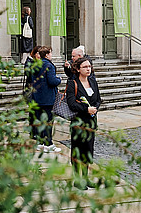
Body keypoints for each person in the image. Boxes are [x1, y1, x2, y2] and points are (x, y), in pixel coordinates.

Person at [66, 57, 101, 189]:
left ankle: (86, 178)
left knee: (88, 150)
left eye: (89, 67)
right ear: (78, 69)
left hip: (91, 122)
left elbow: (98, 99)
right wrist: (86, 109)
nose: (88, 69)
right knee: (77, 151)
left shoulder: (92, 81)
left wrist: (95, 109)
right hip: (78, 122)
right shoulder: (72, 83)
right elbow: (71, 103)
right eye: (85, 67)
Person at [31, 46, 61, 152]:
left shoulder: (35, 64)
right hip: (48, 98)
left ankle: (40, 143)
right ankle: (49, 144)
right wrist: (59, 79)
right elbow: (52, 81)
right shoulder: (49, 65)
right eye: (51, 53)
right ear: (47, 55)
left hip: (37, 97)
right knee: (48, 121)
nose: (51, 55)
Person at [24, 45, 41, 139]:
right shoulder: (29, 62)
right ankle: (33, 132)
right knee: (33, 112)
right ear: (34, 53)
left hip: (37, 91)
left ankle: (36, 131)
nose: (39, 55)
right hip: (31, 91)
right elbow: (29, 74)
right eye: (38, 53)